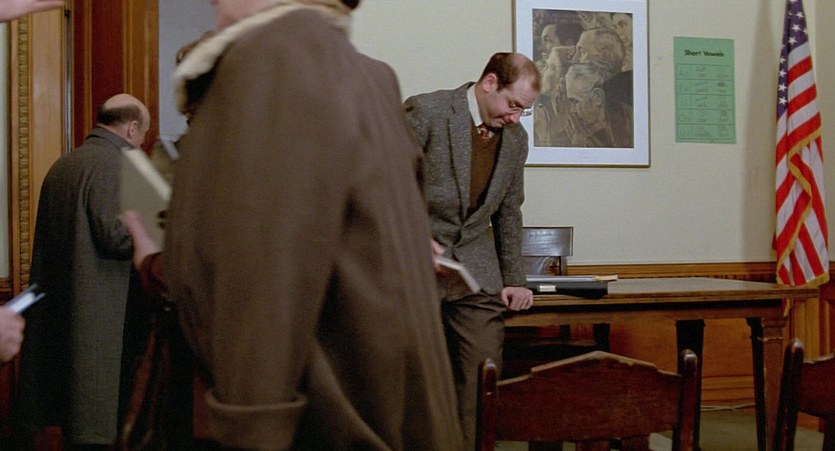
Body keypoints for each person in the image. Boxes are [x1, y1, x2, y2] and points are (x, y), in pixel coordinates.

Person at [154, 0, 463, 449]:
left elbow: (266, 275)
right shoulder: (366, 73)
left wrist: (252, 430)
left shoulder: (276, 56)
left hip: (329, 423)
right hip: (380, 408)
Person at [403, 52, 539, 449]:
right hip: (415, 265)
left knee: (483, 374)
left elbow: (509, 211)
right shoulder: (426, 111)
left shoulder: (516, 139)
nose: (515, 117)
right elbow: (388, 183)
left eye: (524, 110)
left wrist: (515, 280)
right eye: (513, 105)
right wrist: (413, 237)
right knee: (408, 375)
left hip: (475, 272)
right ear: (490, 83)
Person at [17, 93, 151, 449]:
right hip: (102, 322)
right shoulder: (116, 164)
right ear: (132, 128)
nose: (142, 143)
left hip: (61, 318)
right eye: (142, 134)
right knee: (98, 427)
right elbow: (115, 236)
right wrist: (156, 227)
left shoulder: (64, 164)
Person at [564, 62, 633, 148]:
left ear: (598, 97)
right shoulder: (587, 131)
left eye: (575, 102)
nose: (572, 110)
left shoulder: (627, 125)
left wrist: (580, 145)